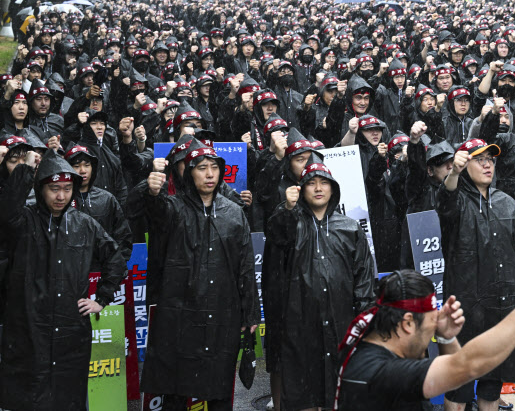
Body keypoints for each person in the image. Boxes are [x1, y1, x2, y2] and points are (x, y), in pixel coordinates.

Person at [0, 150, 125, 411]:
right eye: (54, 188)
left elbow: (116, 256)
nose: (61, 196)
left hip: (71, 332)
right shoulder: (24, 221)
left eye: (67, 188)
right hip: (28, 328)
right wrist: (26, 168)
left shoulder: (84, 224)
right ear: (40, 188)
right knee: (29, 398)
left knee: (68, 399)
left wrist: (102, 298)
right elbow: (7, 211)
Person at [141, 143, 260, 410]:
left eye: (214, 168)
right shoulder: (173, 208)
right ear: (189, 174)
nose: (209, 174)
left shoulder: (234, 212)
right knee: (176, 389)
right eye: (202, 168)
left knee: (220, 391)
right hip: (180, 313)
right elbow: (153, 212)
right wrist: (151, 192)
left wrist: (250, 314)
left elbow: (245, 267)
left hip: (222, 313)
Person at [336, 270, 515, 411]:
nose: (430, 334)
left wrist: (445, 336)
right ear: (407, 323)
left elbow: (456, 376)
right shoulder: (383, 372)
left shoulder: (367, 350)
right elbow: (469, 365)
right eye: (431, 324)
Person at [267, 155, 375, 411]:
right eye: (311, 183)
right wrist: (287, 209)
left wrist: (365, 325)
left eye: (324, 182)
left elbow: (364, 280)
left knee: (339, 398)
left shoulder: (350, 228)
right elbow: (276, 238)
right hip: (298, 327)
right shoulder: (290, 222)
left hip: (341, 326)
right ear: (301, 189)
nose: (318, 188)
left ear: (333, 188)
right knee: (302, 398)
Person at [436, 138, 515, 411]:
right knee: (459, 387)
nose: (486, 164)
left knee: (492, 387)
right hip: (466, 307)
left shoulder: (506, 202)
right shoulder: (456, 202)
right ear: (464, 163)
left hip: (502, 305)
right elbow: (445, 200)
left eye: (490, 160)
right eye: (479, 159)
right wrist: (453, 173)